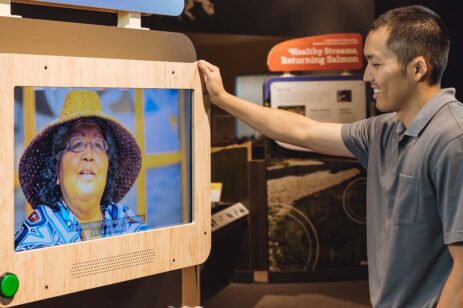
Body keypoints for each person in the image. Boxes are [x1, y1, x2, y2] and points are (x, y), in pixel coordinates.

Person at [198, 5, 463, 308]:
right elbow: (303, 131)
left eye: (375, 64)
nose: (366, 76)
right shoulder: (384, 130)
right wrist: (222, 98)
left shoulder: (453, 139)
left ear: (417, 69)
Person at [14, 90, 149, 251]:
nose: (89, 155)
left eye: (98, 145)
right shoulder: (40, 231)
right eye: (77, 144)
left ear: (108, 169)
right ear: (56, 170)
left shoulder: (121, 218)